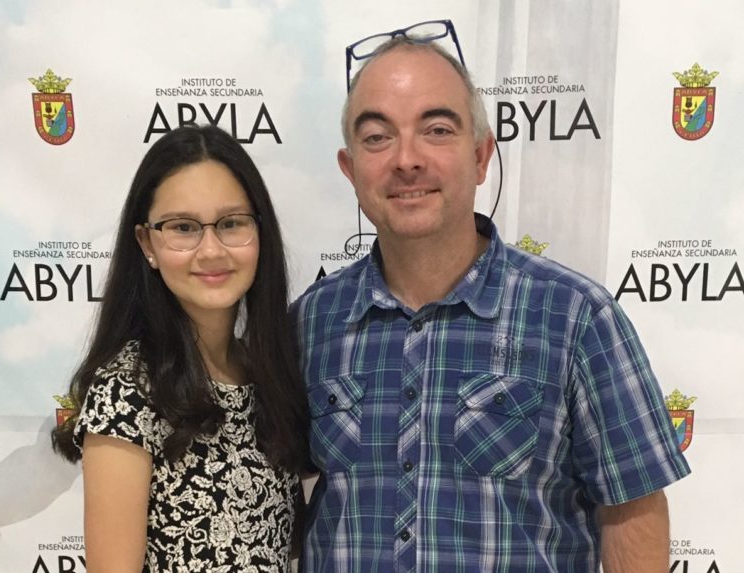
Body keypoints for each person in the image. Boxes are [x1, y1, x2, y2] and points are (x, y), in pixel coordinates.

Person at [291, 36, 691, 572]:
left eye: (437, 130)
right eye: (377, 137)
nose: (407, 160)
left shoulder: (576, 317)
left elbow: (632, 510)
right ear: (350, 168)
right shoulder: (310, 323)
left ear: (481, 156)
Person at [51, 124, 309, 572]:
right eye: (183, 228)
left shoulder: (266, 375)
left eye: (231, 223)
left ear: (260, 231)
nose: (211, 250)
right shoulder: (128, 390)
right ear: (146, 243)